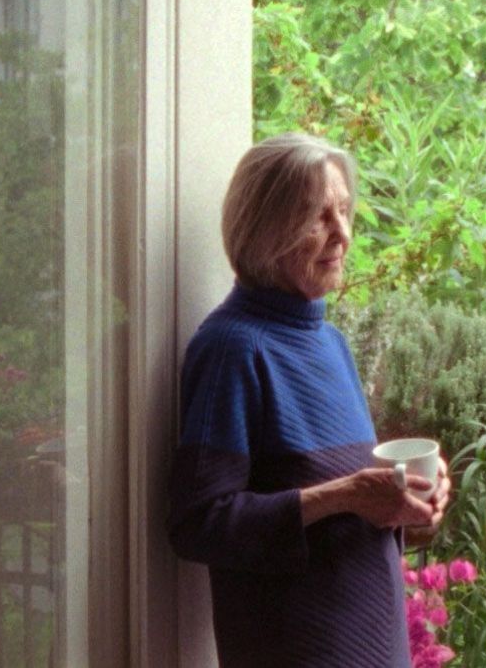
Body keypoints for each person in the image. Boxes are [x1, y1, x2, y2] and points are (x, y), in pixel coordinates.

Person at [167, 132, 450, 667]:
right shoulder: (232, 346)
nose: (342, 234)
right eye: (318, 217)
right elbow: (199, 522)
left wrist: (409, 510)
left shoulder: (331, 342)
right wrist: (344, 495)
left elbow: (346, 522)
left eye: (344, 211)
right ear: (265, 227)